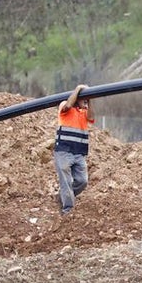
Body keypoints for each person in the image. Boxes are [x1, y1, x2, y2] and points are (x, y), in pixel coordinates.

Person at [54, 83, 95, 214]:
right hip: (64, 151)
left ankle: (64, 196)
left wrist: (91, 99)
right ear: (77, 98)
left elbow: (91, 117)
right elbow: (67, 106)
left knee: (83, 181)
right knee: (66, 181)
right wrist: (78, 89)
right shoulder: (64, 106)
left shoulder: (84, 113)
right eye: (84, 99)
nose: (86, 102)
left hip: (79, 153)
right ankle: (68, 210)